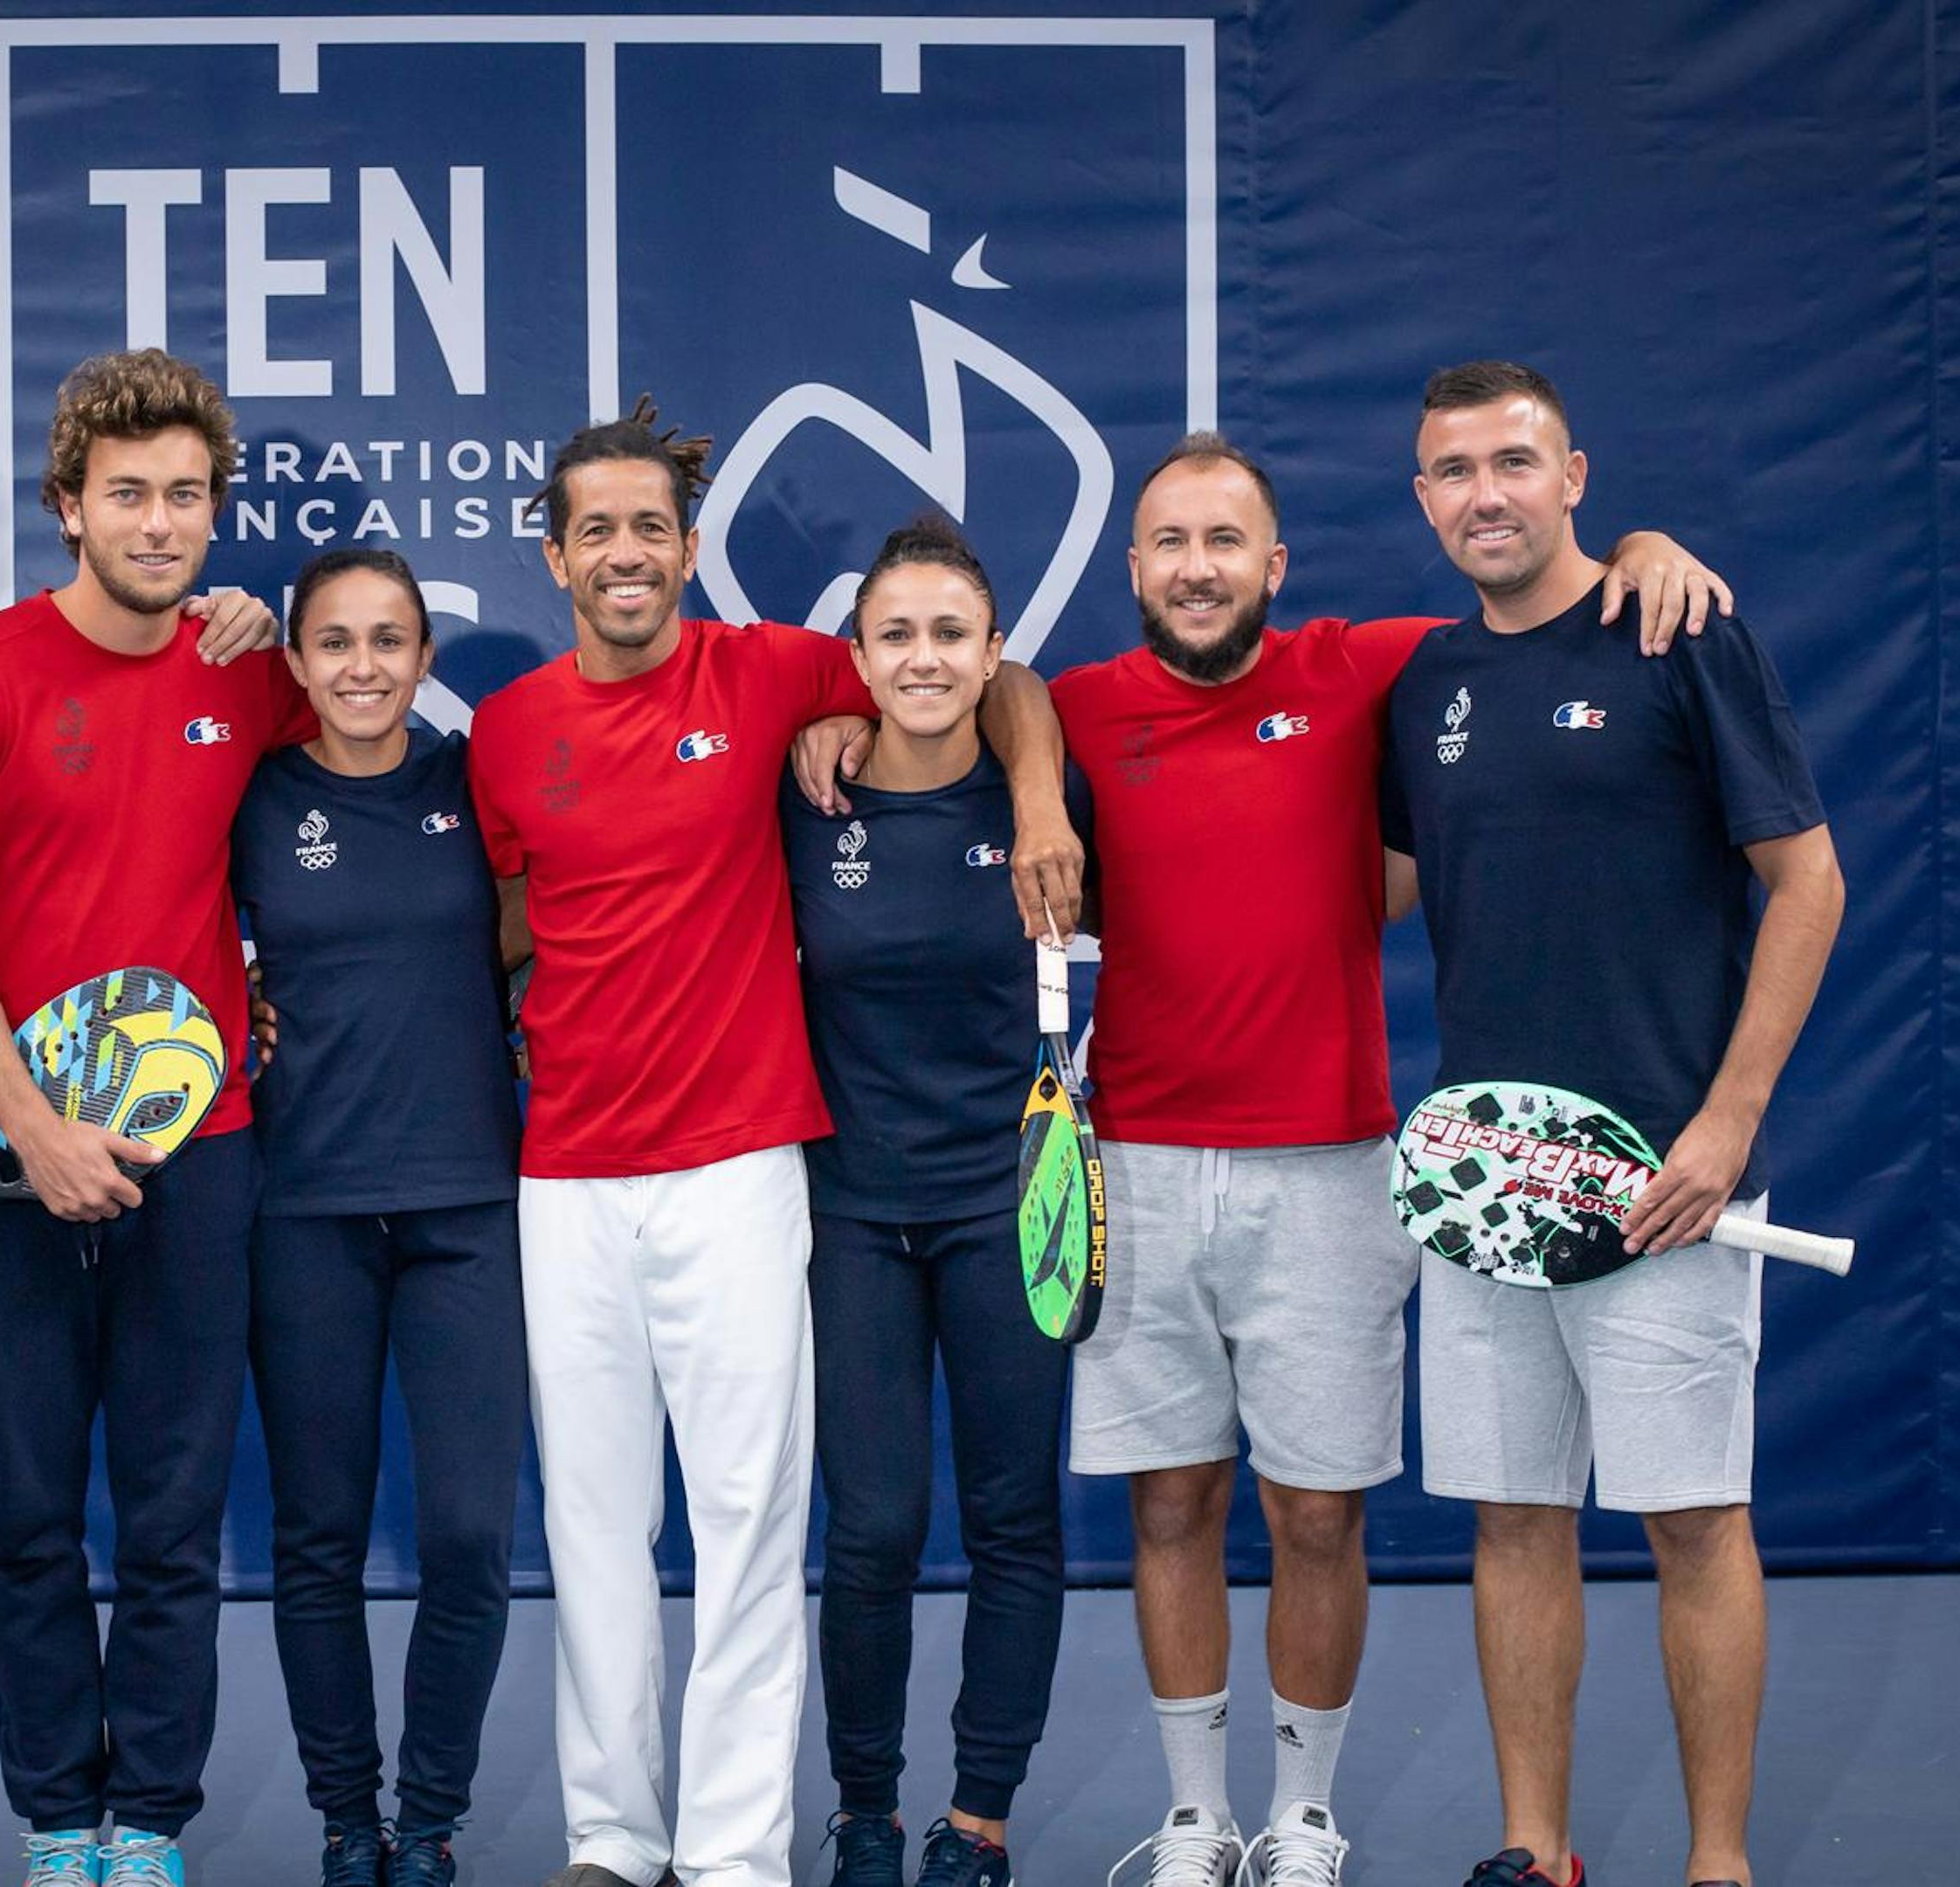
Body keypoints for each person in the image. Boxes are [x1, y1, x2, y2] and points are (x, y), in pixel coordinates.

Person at [1041, 433, 1730, 1887]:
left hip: (1332, 1173)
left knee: (1316, 1511)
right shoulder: (1080, 709)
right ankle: (1192, 1819)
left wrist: (1650, 548)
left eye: (1228, 542)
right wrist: (1034, 787)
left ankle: (1300, 1820)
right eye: (1171, 543)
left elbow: (1546, 588)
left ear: (1275, 569)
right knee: (1168, 1503)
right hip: (1142, 1174)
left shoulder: (1371, 669)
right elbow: (982, 697)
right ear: (1134, 570)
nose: (1199, 567)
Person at [463, 398, 1074, 1887]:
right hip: (570, 1179)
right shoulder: (509, 730)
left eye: (652, 529)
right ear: (555, 556)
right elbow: (496, 929)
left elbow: (1000, 681)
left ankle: (735, 1853)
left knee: (749, 1524)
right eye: (596, 529)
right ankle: (614, 1838)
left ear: (688, 549)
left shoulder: (774, 670)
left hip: (746, 1168)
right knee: (598, 1527)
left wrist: (1043, 794)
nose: (627, 553)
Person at [1381, 361, 1842, 1887]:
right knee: (1514, 1522)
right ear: (1426, 496)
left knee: (1694, 1524)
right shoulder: (1427, 688)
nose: (1486, 493)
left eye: (1515, 461)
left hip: (1670, 1189)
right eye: (1454, 471)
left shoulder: (1677, 630)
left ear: (1576, 476)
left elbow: (1808, 884)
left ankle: (1720, 1865)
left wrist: (1724, 1127)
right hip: (1487, 1190)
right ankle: (1539, 1854)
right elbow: (1370, 889)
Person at [0, 347, 314, 1887]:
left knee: (173, 1510)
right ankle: (56, 1820)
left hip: (197, 1155)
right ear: (68, 506)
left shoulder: (248, 669)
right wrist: (34, 1131)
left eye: (187, 496)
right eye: (126, 494)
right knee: (25, 1513)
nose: (159, 523)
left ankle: (150, 1825)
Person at [233, 548, 531, 1887]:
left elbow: (552, 923)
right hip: (305, 1208)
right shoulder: (249, 797)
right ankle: (347, 1819)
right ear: (295, 664)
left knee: (470, 1533)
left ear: (425, 659)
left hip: (469, 1201)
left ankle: (431, 1817)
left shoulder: (480, 786)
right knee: (318, 1534)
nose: (362, 666)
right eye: (335, 643)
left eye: (389, 642)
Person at [782, 516, 1065, 1887]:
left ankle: (981, 1822)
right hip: (850, 1217)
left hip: (1009, 1211)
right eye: (896, 633)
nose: (925, 657)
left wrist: (1044, 792)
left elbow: (1036, 710)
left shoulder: (1039, 811)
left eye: (952, 631)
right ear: (857, 659)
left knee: (1014, 1520)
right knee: (874, 1526)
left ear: (993, 649)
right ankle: (869, 1811)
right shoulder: (806, 800)